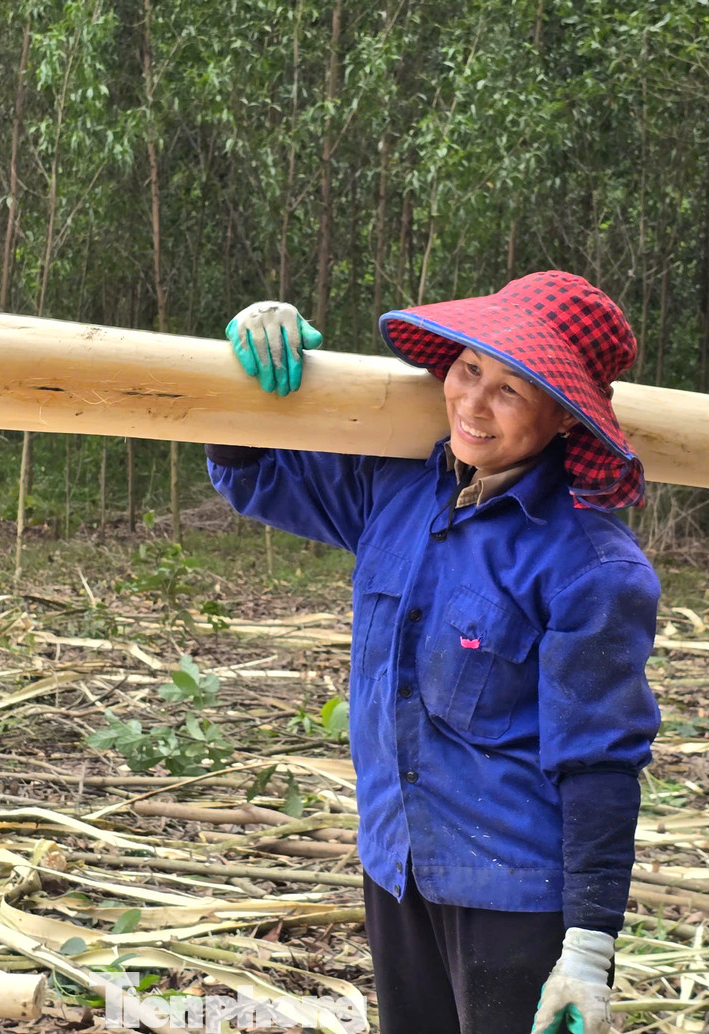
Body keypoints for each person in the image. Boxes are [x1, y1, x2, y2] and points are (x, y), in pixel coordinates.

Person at [208, 272, 660, 1034]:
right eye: (470, 368)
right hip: (395, 866)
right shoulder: (399, 493)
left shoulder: (591, 566)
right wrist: (254, 342)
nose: (474, 404)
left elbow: (599, 765)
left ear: (563, 415)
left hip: (513, 899)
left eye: (511, 390)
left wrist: (587, 948)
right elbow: (254, 474)